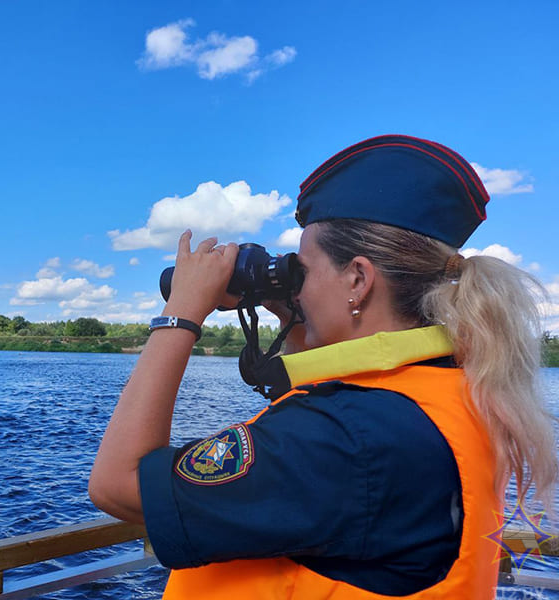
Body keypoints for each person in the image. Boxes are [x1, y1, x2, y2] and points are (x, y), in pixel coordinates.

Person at [88, 135, 557, 599]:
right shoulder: (454, 392)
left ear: (357, 279)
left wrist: (182, 311)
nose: (297, 288)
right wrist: (292, 316)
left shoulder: (347, 437)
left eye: (304, 272)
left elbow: (117, 485)